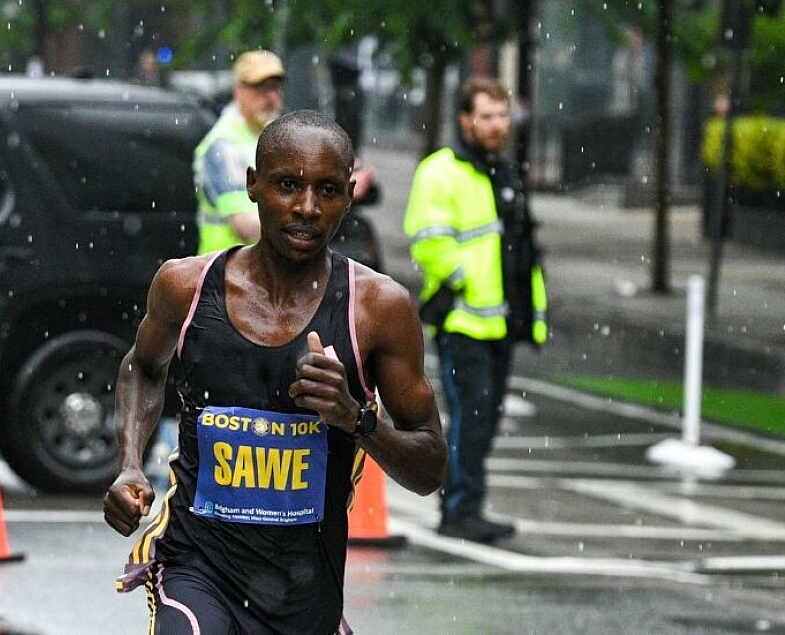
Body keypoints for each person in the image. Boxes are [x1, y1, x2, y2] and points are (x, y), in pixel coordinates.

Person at [104, 110, 447, 634]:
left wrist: (355, 418)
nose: (307, 207)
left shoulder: (378, 309)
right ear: (253, 185)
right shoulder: (185, 287)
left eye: (328, 190)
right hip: (197, 565)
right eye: (288, 185)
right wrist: (130, 463)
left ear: (349, 195)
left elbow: (430, 467)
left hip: (305, 591)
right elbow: (143, 367)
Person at [403, 76, 548, 544]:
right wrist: (463, 279)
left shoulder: (500, 172)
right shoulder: (441, 171)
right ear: (465, 119)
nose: (497, 125)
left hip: (500, 321)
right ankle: (459, 508)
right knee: (471, 416)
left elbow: (519, 246)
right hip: (464, 320)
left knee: (485, 419)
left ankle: (469, 505)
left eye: (502, 116)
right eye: (486, 116)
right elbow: (428, 242)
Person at [195, 49, 375, 255]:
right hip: (227, 269)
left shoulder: (277, 139)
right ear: (238, 91)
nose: (271, 97)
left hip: (264, 268)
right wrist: (337, 199)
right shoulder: (224, 145)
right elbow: (245, 225)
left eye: (276, 87)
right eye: (261, 88)